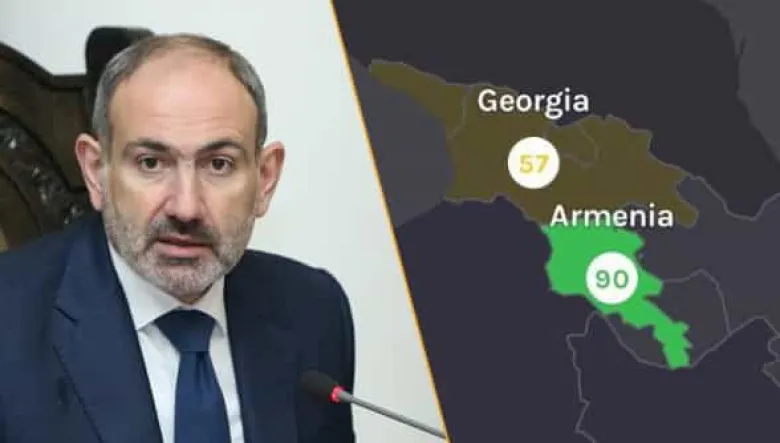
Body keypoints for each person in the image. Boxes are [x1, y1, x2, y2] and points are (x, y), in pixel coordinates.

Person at [0, 33, 355, 443]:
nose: (186, 208)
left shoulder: (313, 311)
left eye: (218, 164)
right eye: (151, 163)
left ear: (265, 178)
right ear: (96, 172)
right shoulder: (11, 321)